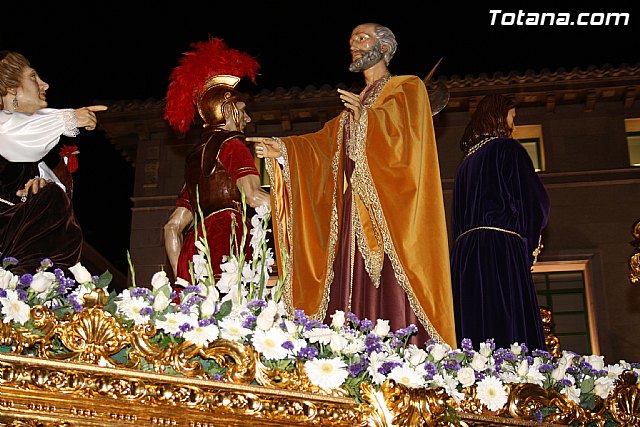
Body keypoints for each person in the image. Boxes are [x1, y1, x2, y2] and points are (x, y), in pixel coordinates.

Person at [248, 23, 456, 347]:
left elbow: (407, 141)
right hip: (350, 215)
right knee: (348, 283)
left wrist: (369, 120)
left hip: (388, 216)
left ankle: (403, 357)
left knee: (387, 285)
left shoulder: (407, 87)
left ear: (385, 47)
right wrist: (284, 149)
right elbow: (322, 146)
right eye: (351, 41)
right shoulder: (352, 105)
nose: (354, 46)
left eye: (362, 39)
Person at [162, 38, 269, 284]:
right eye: (242, 111)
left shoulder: (194, 159)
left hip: (196, 252)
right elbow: (254, 197)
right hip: (228, 246)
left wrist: (182, 279)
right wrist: (301, 208)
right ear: (229, 111)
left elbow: (171, 228)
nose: (248, 119)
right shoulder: (233, 146)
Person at [450, 94, 550, 351]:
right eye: (512, 118)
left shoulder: (465, 165)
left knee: (474, 322)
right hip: (500, 247)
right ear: (498, 116)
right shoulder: (507, 149)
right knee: (507, 322)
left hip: (465, 256)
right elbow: (533, 201)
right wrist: (527, 245)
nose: (513, 126)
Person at [0, 50, 107, 274]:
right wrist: (69, 117)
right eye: (33, 77)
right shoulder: (9, 131)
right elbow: (12, 133)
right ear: (10, 88)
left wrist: (40, 192)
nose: (44, 85)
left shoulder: (33, 158)